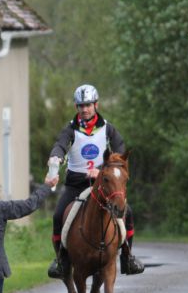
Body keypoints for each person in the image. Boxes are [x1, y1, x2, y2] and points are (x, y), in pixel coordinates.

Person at [47, 84, 144, 279]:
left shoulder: (108, 128)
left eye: (88, 105)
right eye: (81, 106)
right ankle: (61, 260)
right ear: (76, 107)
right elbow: (59, 146)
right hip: (75, 185)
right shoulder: (70, 129)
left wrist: (99, 171)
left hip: (103, 184)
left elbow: (120, 152)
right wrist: (55, 160)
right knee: (58, 216)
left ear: (96, 105)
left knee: (128, 213)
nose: (84, 109)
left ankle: (127, 257)